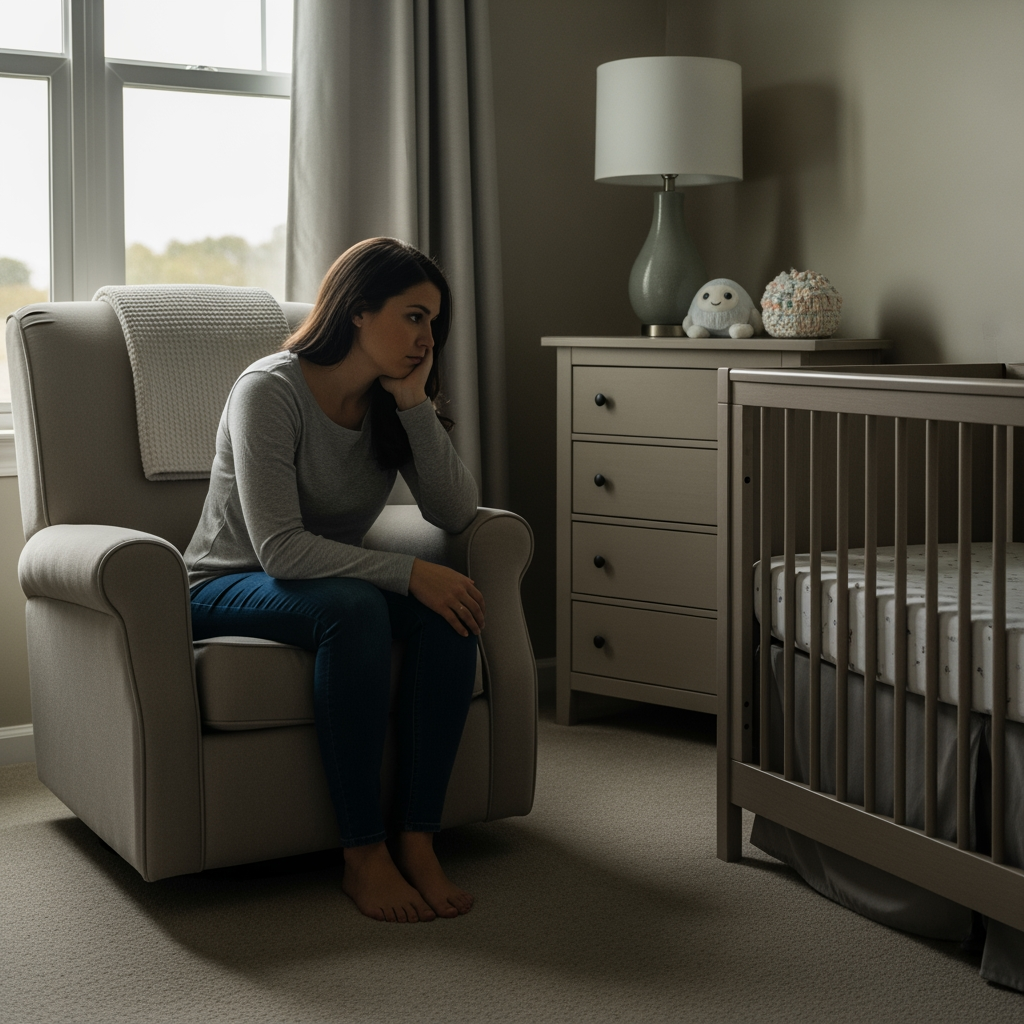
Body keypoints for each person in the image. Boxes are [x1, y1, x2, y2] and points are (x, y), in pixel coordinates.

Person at [185, 237, 484, 924]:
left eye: (433, 323)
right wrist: (408, 573)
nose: (426, 337)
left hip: (320, 586)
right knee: (356, 608)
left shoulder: (392, 402)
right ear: (357, 310)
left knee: (452, 609)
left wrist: (414, 405)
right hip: (224, 584)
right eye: (412, 316)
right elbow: (281, 548)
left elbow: (456, 511)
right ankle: (362, 854)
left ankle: (418, 838)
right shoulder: (269, 390)